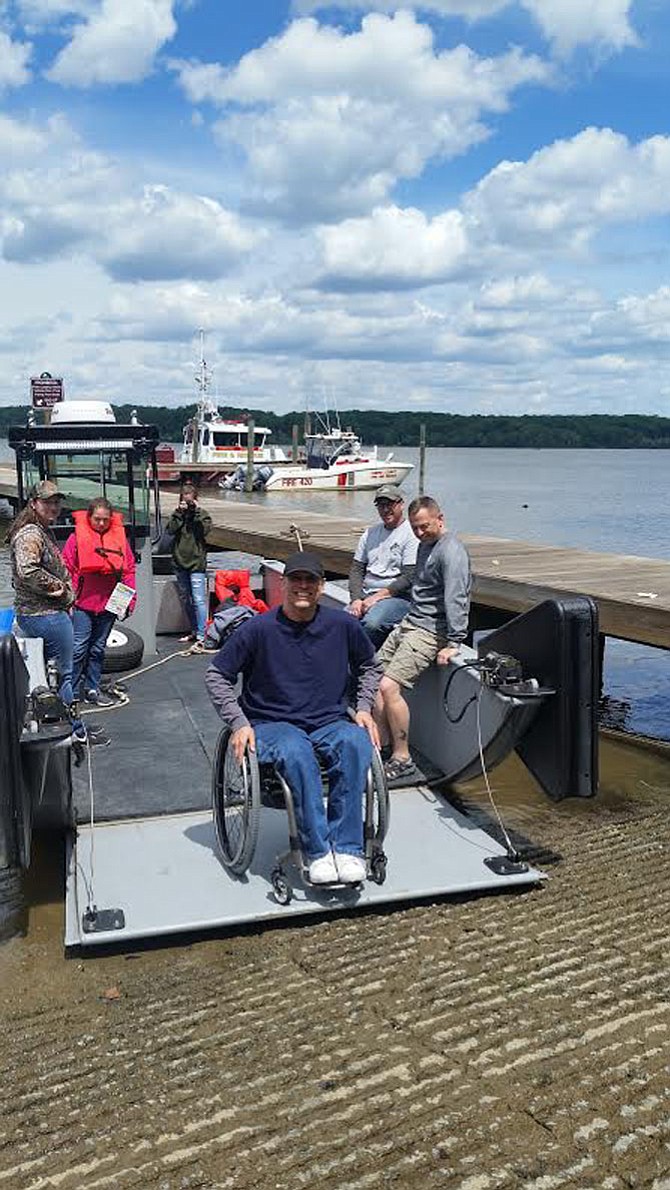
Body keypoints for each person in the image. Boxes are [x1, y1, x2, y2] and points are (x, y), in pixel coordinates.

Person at [205, 551, 382, 885]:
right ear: (283, 583)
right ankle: (317, 852)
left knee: (357, 741)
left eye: (310, 580)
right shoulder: (257, 629)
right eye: (296, 579)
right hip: (272, 723)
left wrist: (363, 707)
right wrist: (238, 722)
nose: (303, 586)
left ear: (322, 586)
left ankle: (346, 848)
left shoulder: (342, 625)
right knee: (296, 750)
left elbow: (370, 666)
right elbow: (217, 675)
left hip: (328, 720)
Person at [375, 496, 471, 787]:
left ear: (440, 519)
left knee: (389, 687)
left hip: (431, 631)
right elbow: (419, 585)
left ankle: (402, 758)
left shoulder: (451, 552)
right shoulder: (423, 546)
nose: (419, 533)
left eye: (425, 526)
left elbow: (457, 597)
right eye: (415, 528)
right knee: (373, 676)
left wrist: (454, 640)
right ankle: (378, 747)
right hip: (411, 622)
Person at [9, 480, 109, 747]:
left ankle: (65, 724)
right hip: (45, 614)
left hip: (43, 613)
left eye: (56, 502)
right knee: (66, 674)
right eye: (48, 502)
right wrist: (62, 592)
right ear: (33, 504)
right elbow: (28, 570)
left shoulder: (41, 531)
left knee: (55, 674)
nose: (54, 506)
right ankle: (75, 731)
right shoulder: (30, 534)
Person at [62, 497, 136, 707]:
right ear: (89, 518)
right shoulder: (75, 539)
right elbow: (66, 568)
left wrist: (130, 600)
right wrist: (67, 600)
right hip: (82, 604)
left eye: (105, 520)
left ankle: (92, 688)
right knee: (78, 649)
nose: (101, 524)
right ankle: (71, 691)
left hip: (109, 604)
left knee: (98, 649)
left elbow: (129, 570)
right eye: (97, 519)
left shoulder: (120, 540)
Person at [347, 485, 418, 648]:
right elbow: (357, 569)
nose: (385, 510)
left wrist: (378, 597)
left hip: (398, 597)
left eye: (390, 504)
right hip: (366, 594)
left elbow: (409, 577)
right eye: (381, 505)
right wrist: (356, 598)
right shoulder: (369, 533)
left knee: (372, 623)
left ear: (401, 504)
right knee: (343, 621)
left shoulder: (411, 534)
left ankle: (364, 665)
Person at [167, 482, 212, 653]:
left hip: (196, 563)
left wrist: (197, 511)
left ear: (195, 499)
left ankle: (202, 635)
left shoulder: (203, 515)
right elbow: (170, 530)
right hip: (180, 562)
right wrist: (179, 512)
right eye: (184, 499)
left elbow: (206, 530)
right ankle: (194, 630)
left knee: (199, 600)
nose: (188, 503)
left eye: (190, 499)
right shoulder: (178, 515)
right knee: (187, 599)